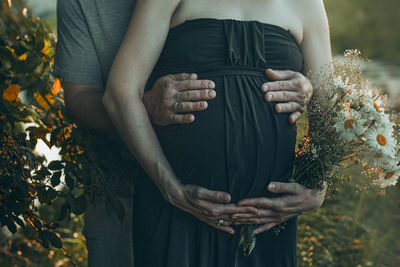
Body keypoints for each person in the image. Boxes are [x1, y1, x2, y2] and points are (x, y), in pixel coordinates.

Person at [54, 0, 324, 266]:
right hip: (170, 202)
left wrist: (318, 185)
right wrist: (171, 188)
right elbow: (111, 94)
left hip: (266, 218)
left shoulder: (308, 4)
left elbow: (329, 107)